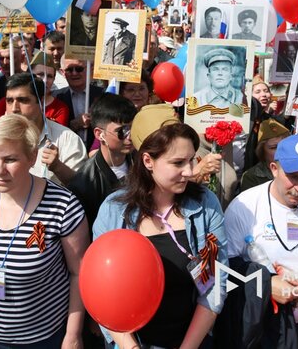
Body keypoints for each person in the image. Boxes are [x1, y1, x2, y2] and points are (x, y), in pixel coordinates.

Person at [0, 114, 89, 348]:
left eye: (10, 159)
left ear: (32, 157)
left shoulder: (63, 206)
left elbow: (79, 273)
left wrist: (73, 334)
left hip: (43, 339)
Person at [93, 123, 227, 348]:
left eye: (192, 160)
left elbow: (215, 286)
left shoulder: (206, 204)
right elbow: (100, 287)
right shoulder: (114, 209)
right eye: (178, 163)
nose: (190, 171)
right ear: (148, 161)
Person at [224, 135, 298, 347]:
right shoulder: (244, 206)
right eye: (293, 177)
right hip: (258, 321)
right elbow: (224, 267)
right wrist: (268, 284)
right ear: (274, 169)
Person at [68, 93, 137, 231]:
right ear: (100, 134)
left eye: (133, 128)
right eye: (122, 131)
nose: (130, 137)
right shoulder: (84, 183)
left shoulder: (143, 163)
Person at [4, 74, 86, 186]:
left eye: (22, 100)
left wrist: (58, 166)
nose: (14, 108)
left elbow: (82, 186)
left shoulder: (67, 139)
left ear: (41, 101)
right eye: (9, 101)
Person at [54, 58, 104, 149]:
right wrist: (73, 125)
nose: (74, 73)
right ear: (62, 72)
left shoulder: (103, 95)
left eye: (79, 69)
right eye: (69, 69)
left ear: (89, 68)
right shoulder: (56, 97)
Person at [241, 118, 290, 191]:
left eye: (283, 146)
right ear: (262, 151)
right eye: (273, 147)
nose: (280, 151)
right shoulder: (251, 177)